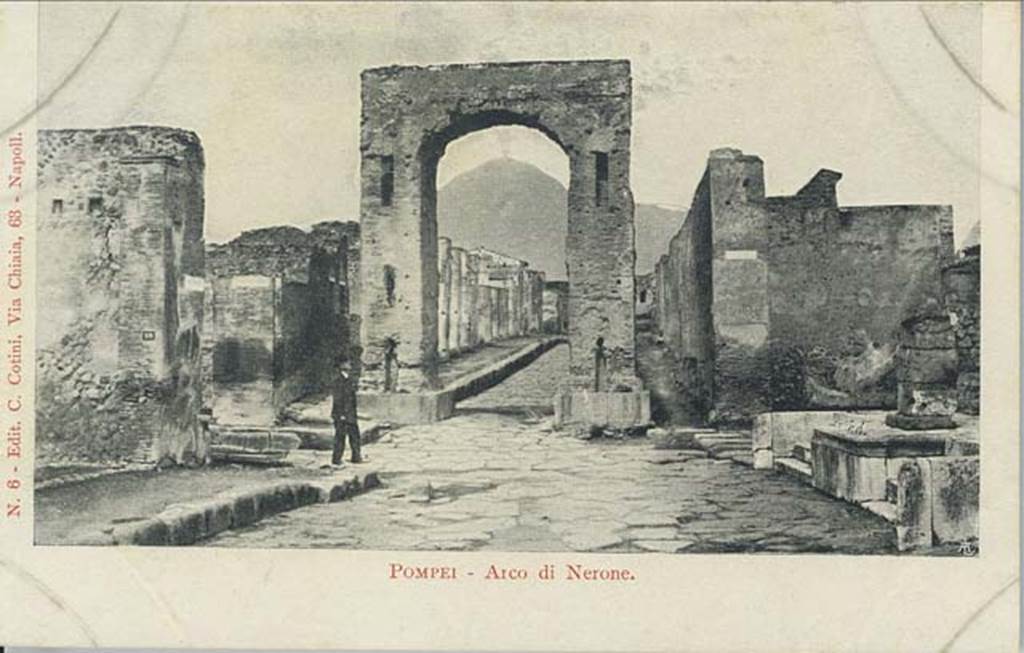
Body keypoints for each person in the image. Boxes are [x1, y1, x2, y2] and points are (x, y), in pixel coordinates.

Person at [331, 354, 362, 465]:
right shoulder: (338, 381)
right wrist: (341, 414)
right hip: (342, 414)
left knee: (355, 435)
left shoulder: (349, 379)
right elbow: (338, 399)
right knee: (340, 437)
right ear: (342, 365)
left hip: (351, 413)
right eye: (348, 363)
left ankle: (356, 457)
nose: (350, 365)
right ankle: (336, 459)